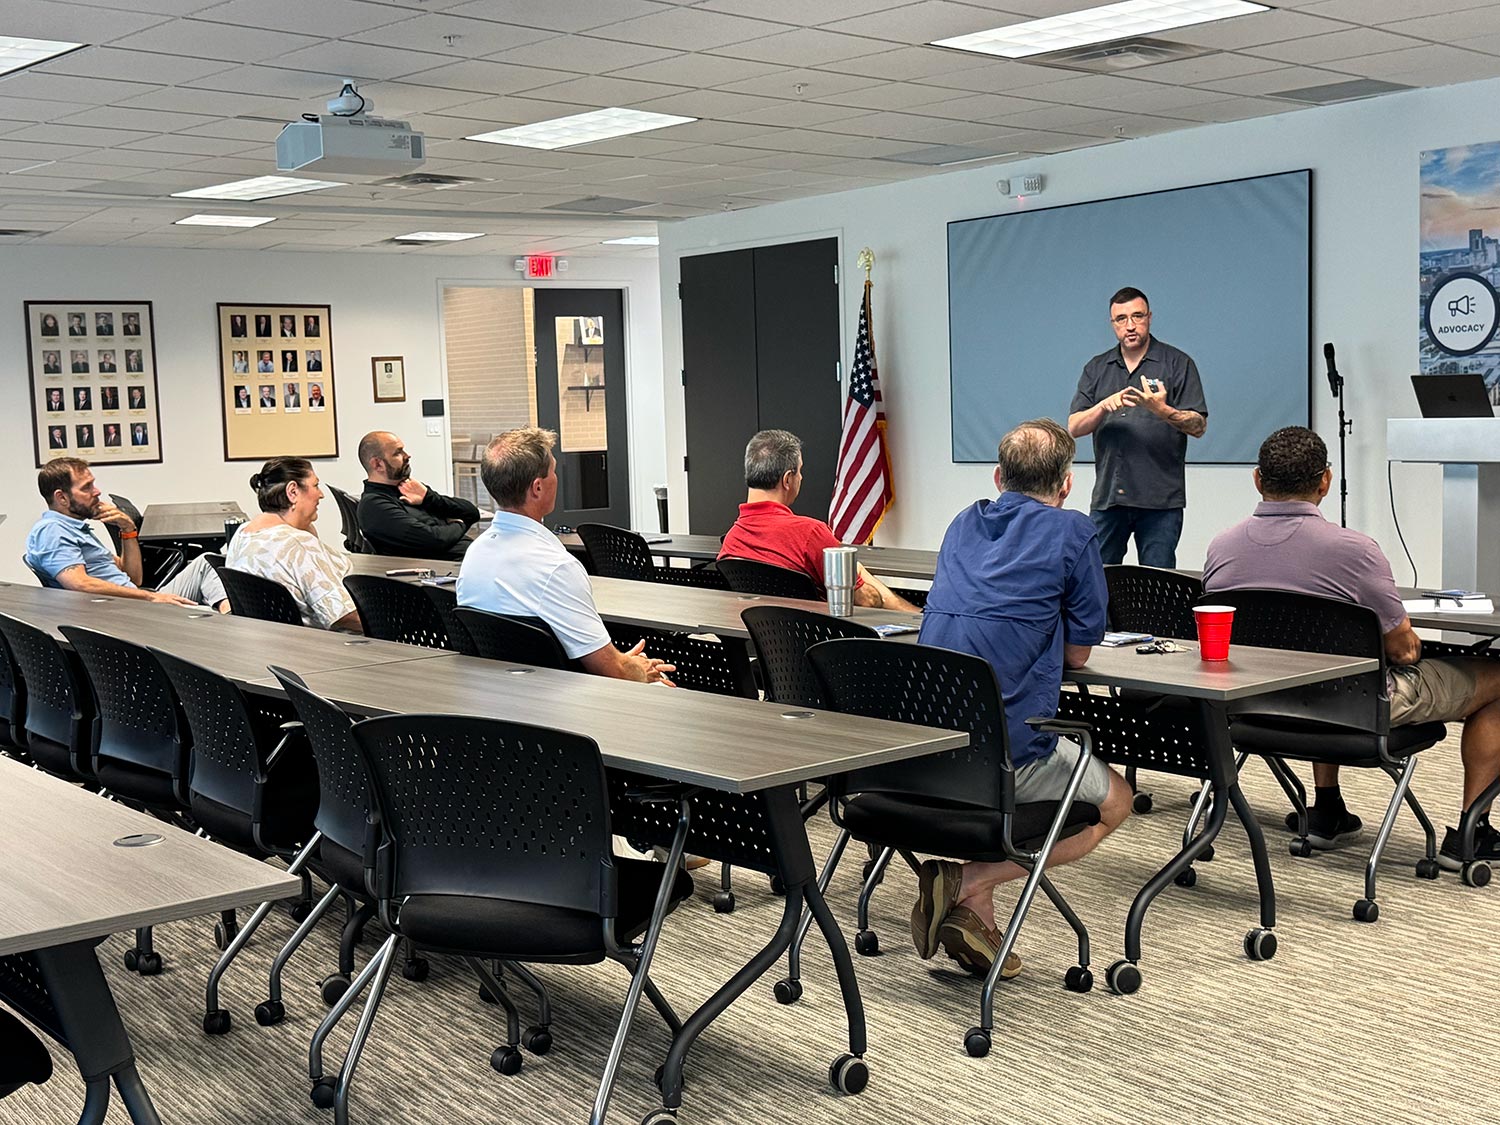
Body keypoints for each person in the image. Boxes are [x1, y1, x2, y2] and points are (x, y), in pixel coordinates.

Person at [1204, 426, 1500, 865]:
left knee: (1327, 666)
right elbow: (1402, 652)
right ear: (1325, 480)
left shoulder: (1221, 547)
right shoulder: (1354, 551)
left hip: (1258, 701)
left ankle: (1327, 808)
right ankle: (1473, 834)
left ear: (1257, 479)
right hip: (1353, 704)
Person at [913, 418, 1129, 979]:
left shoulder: (963, 523)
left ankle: (977, 917)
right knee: (1118, 802)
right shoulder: (1074, 532)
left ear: (997, 477)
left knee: (997, 736)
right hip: (1004, 756)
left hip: (927, 751)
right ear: (1067, 484)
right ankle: (969, 879)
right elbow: (1078, 655)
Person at [458, 426, 673, 684]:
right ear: (537, 488)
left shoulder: (475, 555)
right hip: (559, 700)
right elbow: (612, 670)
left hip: (498, 693)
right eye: (553, 470)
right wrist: (639, 669)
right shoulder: (556, 567)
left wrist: (621, 663)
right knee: (666, 686)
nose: (557, 478)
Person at [1067, 287, 1208, 568]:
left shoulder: (1177, 363)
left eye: (1137, 316)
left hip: (1160, 503)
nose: (1130, 326)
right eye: (1121, 319)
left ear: (1149, 318)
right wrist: (1102, 406)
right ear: (1112, 323)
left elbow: (1198, 426)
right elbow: (1074, 427)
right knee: (1098, 579)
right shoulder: (1097, 368)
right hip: (1109, 499)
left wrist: (1162, 410)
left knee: (1157, 584)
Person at [718, 429, 920, 611]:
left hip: (766, 639)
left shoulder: (732, 541)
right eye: (800, 471)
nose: (801, 477)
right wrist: (857, 572)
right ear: (787, 479)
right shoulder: (810, 533)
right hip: (827, 637)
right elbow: (866, 601)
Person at [23, 457, 225, 609]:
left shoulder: (75, 528)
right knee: (213, 605)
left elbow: (133, 578)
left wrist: (128, 530)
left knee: (208, 561)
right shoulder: (52, 530)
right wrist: (150, 597)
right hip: (127, 611)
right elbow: (80, 584)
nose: (97, 491)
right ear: (62, 498)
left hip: (133, 601)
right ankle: (229, 618)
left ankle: (228, 614)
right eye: (87, 487)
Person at [223, 457, 362, 632]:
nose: (321, 494)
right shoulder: (298, 544)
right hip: (323, 643)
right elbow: (344, 616)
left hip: (271, 639)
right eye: (315, 485)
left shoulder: (243, 533)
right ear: (293, 492)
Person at [357, 430, 480, 559]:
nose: (407, 456)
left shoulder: (408, 489)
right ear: (378, 464)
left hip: (470, 558)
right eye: (398, 453)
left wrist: (428, 497)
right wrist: (459, 523)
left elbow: (472, 512)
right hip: (448, 566)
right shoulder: (375, 505)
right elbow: (435, 540)